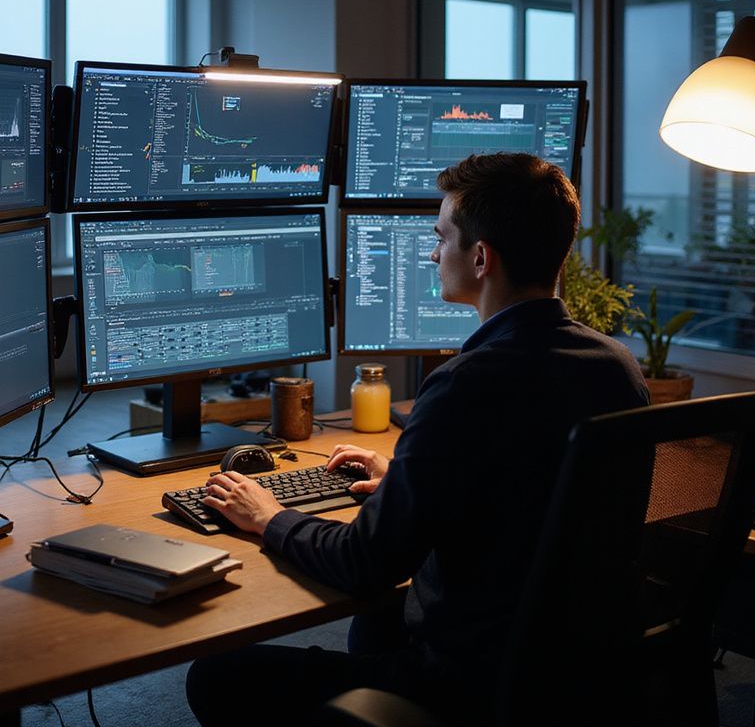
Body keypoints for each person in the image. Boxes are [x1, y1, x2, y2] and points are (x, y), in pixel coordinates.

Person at [185, 153, 649, 726]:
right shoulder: (618, 365)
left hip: (469, 683)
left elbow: (364, 564)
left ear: (480, 258)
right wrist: (411, 477)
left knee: (215, 675)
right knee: (375, 625)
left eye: (441, 237)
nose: (433, 253)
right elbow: (536, 483)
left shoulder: (464, 383)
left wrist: (269, 516)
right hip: (580, 675)